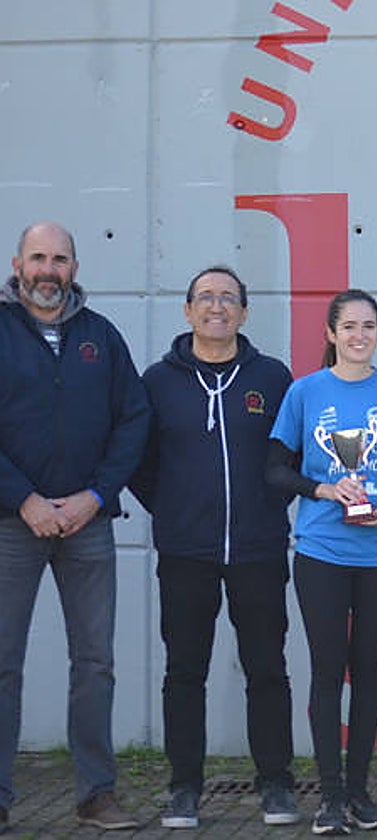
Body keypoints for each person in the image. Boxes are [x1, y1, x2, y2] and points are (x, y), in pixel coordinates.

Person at [130, 266, 299, 829]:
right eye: (206, 297)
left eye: (229, 297)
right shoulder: (158, 380)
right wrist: (174, 509)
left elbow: (293, 457)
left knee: (267, 669)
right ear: (188, 310)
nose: (218, 306)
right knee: (184, 672)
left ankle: (276, 784)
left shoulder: (273, 378)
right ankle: (184, 788)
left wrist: (267, 511)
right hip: (185, 552)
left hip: (258, 548)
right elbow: (139, 459)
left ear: (245, 313)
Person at [0, 222, 149, 832]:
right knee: (3, 663)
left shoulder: (101, 337)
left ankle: (96, 795)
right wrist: (23, 499)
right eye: (38, 258)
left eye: (60, 259)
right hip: (12, 524)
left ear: (75, 266)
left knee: (95, 660)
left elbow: (133, 422)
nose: (48, 270)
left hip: (87, 523)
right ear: (17, 263)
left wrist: (96, 494)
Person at [267, 289, 377, 836]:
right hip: (321, 552)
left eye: (369, 326)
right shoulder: (304, 393)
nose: (359, 335)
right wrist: (326, 488)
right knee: (329, 671)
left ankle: (359, 794)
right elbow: (275, 471)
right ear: (331, 334)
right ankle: (329, 799)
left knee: (370, 671)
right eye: (349, 326)